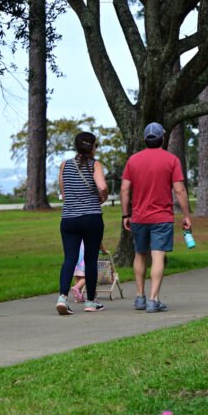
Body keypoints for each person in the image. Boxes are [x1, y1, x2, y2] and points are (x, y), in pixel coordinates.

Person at [120, 122, 193, 313]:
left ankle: (139, 297)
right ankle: (153, 300)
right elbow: (179, 189)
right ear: (162, 138)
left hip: (139, 217)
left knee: (140, 254)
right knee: (157, 255)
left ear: (145, 140)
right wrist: (186, 215)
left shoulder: (133, 161)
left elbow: (125, 189)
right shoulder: (171, 160)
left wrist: (125, 214)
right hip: (162, 217)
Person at [56, 131, 109, 315]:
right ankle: (90, 301)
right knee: (90, 259)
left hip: (69, 218)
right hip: (91, 218)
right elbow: (101, 186)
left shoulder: (65, 165)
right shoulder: (95, 165)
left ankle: (62, 298)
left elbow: (63, 191)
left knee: (69, 259)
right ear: (92, 147)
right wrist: (103, 196)